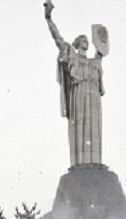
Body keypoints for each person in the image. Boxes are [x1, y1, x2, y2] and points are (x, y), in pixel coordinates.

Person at [44, 0, 105, 167]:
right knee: (80, 131)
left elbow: (103, 47)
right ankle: (80, 165)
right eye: (83, 39)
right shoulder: (71, 54)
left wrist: (101, 43)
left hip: (93, 100)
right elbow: (58, 39)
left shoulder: (95, 63)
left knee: (94, 132)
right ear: (77, 43)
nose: (86, 40)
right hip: (78, 96)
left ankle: (95, 164)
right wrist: (49, 18)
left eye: (87, 39)